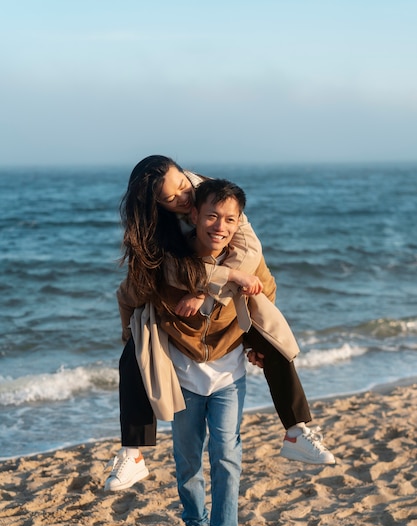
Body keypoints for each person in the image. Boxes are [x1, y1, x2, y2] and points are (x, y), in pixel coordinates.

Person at [105, 156, 335, 492]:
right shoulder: (155, 228)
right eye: (170, 198)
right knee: (134, 354)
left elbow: (251, 252)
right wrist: (221, 278)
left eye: (182, 185)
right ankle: (132, 453)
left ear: (185, 173)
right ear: (155, 204)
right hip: (183, 298)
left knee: (273, 341)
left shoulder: (213, 195)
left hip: (238, 298)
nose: (183, 198)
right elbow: (162, 272)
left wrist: (208, 291)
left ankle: (296, 430)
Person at [131, 178, 275, 526]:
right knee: (188, 456)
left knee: (227, 456)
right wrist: (132, 343)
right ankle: (196, 522)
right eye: (212, 216)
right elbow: (133, 292)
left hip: (229, 374)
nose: (220, 226)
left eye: (230, 219)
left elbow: (268, 292)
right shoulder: (170, 259)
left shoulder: (246, 257)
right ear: (193, 215)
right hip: (182, 375)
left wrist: (257, 341)